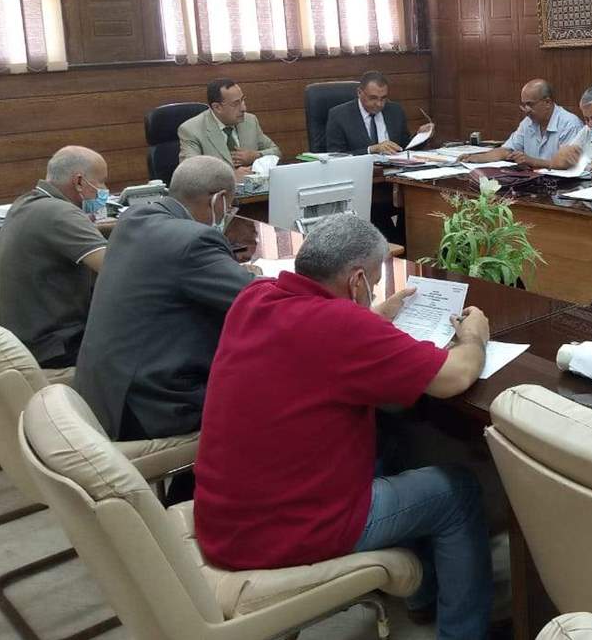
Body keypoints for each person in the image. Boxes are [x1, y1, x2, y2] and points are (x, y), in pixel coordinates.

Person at [195, 214, 492, 637]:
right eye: (373, 281)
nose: (372, 290)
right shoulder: (342, 326)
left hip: (225, 517)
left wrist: (373, 319)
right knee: (456, 492)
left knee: (391, 442)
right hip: (283, 533)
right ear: (357, 281)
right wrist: (474, 337)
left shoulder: (255, 296)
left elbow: (318, 344)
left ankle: (423, 595)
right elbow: (455, 377)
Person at [73, 156, 257, 441]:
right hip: (153, 406)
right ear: (219, 199)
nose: (227, 213)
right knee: (271, 394)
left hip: (104, 395)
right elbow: (256, 300)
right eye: (230, 206)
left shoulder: (133, 219)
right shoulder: (194, 240)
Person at [0, 146, 108, 367]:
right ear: (79, 182)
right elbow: (117, 269)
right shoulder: (60, 213)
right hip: (54, 349)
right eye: (101, 182)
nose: (105, 191)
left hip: (25, 342)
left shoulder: (24, 203)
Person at [466, 78, 583, 168]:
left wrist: (532, 161)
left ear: (547, 102)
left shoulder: (570, 125)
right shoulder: (528, 123)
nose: (526, 110)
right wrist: (477, 158)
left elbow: (567, 166)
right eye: (524, 105)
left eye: (530, 104)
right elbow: (506, 150)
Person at [178, 78, 281, 179]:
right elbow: (190, 174)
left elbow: (276, 152)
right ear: (217, 107)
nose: (243, 108)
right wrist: (230, 177)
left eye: (243, 100)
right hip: (217, 189)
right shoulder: (191, 130)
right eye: (235, 104)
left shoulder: (249, 121)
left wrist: (255, 155)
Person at [324, 70, 434, 156]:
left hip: (394, 172)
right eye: (373, 98)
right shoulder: (339, 116)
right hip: (360, 173)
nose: (379, 104)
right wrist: (371, 150)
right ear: (359, 92)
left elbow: (404, 147)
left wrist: (421, 136)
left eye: (383, 98)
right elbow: (336, 156)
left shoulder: (395, 111)